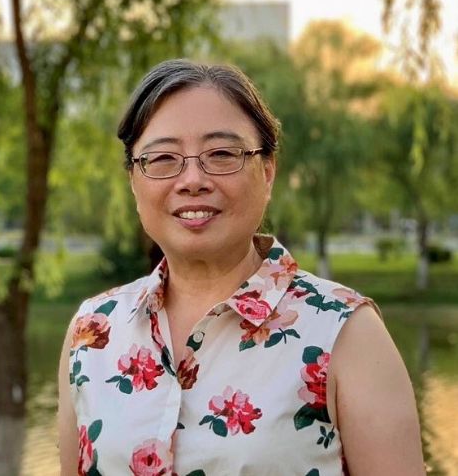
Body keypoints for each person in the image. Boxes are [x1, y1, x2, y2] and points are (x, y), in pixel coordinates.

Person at [58, 59, 425, 475]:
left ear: (268, 172)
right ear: (133, 181)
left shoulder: (346, 333)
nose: (192, 180)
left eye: (221, 154)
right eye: (162, 158)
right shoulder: (92, 332)